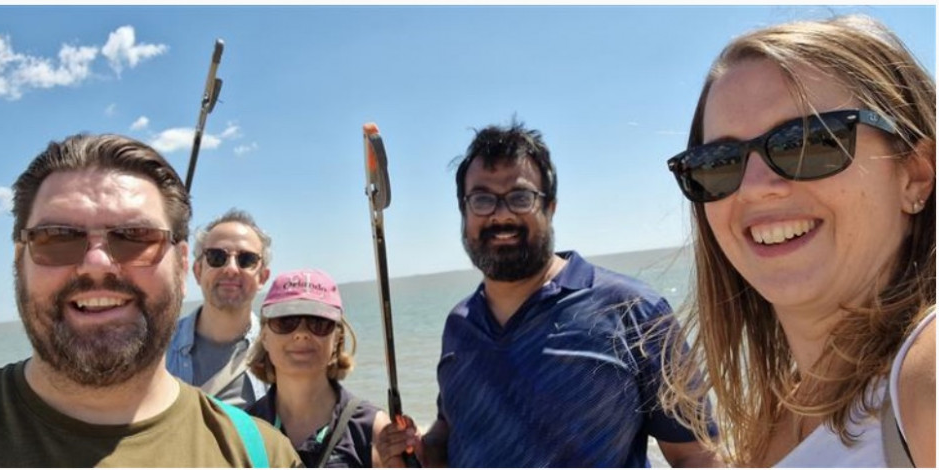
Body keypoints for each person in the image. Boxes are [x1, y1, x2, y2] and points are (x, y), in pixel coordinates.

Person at [660, 15, 935, 467]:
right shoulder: (777, 415)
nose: (753, 186)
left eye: (807, 143)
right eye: (719, 162)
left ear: (914, 175)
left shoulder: (926, 380)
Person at [0, 134, 301, 467]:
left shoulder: (261, 456)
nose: (96, 263)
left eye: (135, 236)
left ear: (179, 264)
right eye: (57, 237)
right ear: (19, 260)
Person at [377, 121, 718, 467]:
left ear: (550, 206)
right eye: (481, 199)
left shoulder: (636, 311)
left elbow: (697, 456)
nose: (501, 214)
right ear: (464, 213)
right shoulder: (459, 325)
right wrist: (420, 450)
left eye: (520, 197)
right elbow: (452, 432)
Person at [246, 268, 389, 467]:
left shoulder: (373, 430)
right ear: (264, 336)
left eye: (318, 322)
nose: (302, 333)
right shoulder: (242, 430)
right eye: (286, 321)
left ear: (337, 339)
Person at [167, 209, 272, 408]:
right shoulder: (156, 349)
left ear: (263, 278)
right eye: (216, 257)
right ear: (198, 272)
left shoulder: (276, 352)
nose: (231, 269)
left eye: (247, 260)